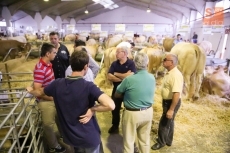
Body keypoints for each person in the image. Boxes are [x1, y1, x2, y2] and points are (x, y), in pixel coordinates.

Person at [27, 50, 115, 153]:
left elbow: (40, 92)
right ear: (86, 67)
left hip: (72, 138)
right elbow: (111, 105)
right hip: (89, 138)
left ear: (71, 65)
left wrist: (31, 91)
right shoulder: (88, 86)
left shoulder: (57, 84)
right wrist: (92, 109)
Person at [115, 52, 156, 153]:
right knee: (145, 140)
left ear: (134, 63)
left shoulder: (129, 79)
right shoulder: (152, 77)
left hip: (132, 114)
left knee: (129, 141)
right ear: (147, 64)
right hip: (148, 112)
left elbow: (117, 94)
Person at [32, 43, 66, 153]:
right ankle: (53, 146)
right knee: (48, 124)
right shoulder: (40, 68)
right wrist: (50, 98)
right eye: (54, 53)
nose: (55, 55)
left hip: (52, 97)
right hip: (45, 100)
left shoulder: (48, 65)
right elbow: (37, 90)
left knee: (59, 119)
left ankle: (62, 136)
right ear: (48, 54)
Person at [151, 53, 184, 150]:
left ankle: (161, 142)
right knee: (170, 121)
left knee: (164, 123)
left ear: (172, 62)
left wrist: (171, 109)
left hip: (171, 103)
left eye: (165, 59)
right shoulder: (170, 72)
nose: (163, 61)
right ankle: (168, 140)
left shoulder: (176, 75)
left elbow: (177, 93)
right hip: (168, 101)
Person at [107, 45, 136, 134]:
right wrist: (124, 77)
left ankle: (127, 127)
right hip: (117, 89)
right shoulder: (114, 64)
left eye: (118, 52)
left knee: (128, 109)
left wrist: (116, 73)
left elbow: (131, 76)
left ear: (124, 53)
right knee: (115, 108)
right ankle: (115, 125)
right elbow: (109, 76)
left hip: (128, 91)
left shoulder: (131, 63)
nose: (116, 54)